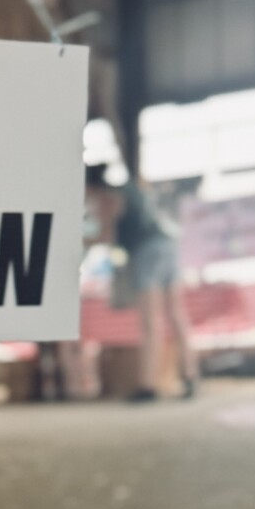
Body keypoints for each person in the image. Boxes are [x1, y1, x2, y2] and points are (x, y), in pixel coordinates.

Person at [86, 166, 198, 403]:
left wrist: (78, 241)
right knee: (176, 315)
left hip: (146, 252)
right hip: (168, 245)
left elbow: (107, 236)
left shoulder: (107, 198)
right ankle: (190, 375)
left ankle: (148, 384)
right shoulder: (129, 190)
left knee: (150, 321)